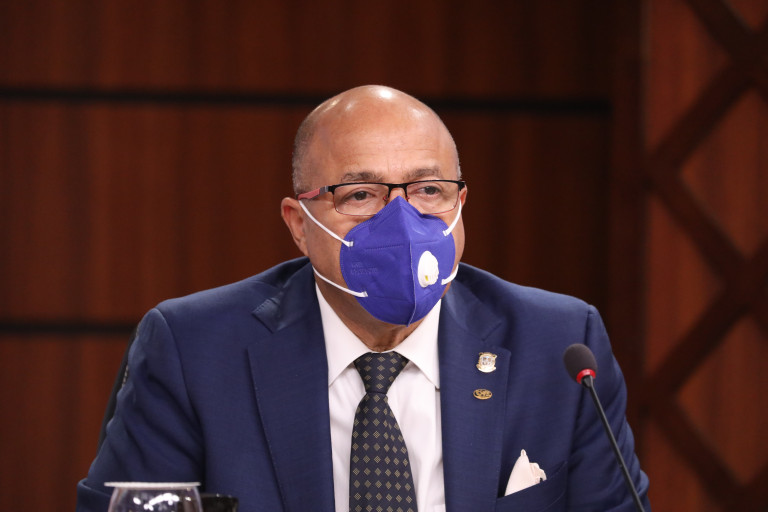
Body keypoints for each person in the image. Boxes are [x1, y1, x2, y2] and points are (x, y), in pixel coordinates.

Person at [77, 85, 650, 511]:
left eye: (428, 190)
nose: (401, 222)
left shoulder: (558, 345)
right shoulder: (195, 349)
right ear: (299, 225)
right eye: (360, 195)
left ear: (461, 205)